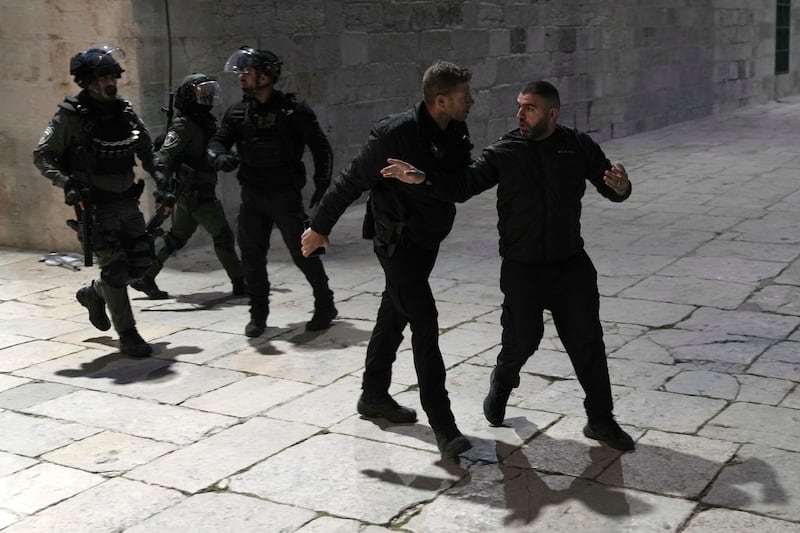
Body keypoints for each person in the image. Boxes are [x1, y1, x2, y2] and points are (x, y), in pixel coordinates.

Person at [380, 80, 636, 451]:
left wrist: (622, 186)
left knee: (588, 343)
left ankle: (600, 419)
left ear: (552, 113)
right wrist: (424, 179)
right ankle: (502, 381)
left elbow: (610, 187)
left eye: (529, 108)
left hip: (570, 265)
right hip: (523, 268)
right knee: (521, 341)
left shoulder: (577, 146)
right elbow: (465, 184)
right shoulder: (506, 150)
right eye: (519, 106)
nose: (520, 114)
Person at [301, 60, 475, 458]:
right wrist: (320, 227)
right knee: (424, 321)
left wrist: (424, 179)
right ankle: (443, 425)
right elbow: (351, 180)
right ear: (441, 100)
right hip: (395, 241)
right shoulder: (394, 134)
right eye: (466, 96)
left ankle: (373, 394)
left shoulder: (456, 131)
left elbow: (460, 187)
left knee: (393, 311)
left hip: (427, 239)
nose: (473, 102)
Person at [33, 44, 157, 357]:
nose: (110, 83)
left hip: (128, 201)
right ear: (87, 81)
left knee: (141, 266)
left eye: (113, 76)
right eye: (103, 78)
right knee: (114, 268)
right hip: (95, 204)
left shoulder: (124, 111)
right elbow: (43, 154)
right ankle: (128, 333)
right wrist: (66, 182)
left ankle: (94, 293)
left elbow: (146, 149)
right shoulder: (71, 116)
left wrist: (165, 178)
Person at [207, 46, 336, 337]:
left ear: (266, 75)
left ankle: (325, 305)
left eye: (247, 71)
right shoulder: (238, 112)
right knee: (251, 257)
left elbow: (320, 146)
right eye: (239, 71)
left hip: (285, 196)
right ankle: (258, 314)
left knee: (305, 252)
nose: (241, 76)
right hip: (252, 196)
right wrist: (219, 157)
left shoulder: (293, 110)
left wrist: (322, 181)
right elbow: (217, 141)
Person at [130, 73, 246, 300]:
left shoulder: (204, 121)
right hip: (195, 192)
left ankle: (145, 275)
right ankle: (240, 282)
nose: (209, 97)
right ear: (189, 96)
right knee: (222, 235)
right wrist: (162, 187)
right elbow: (163, 157)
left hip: (193, 192)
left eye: (210, 92)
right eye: (203, 93)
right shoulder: (184, 124)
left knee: (176, 237)